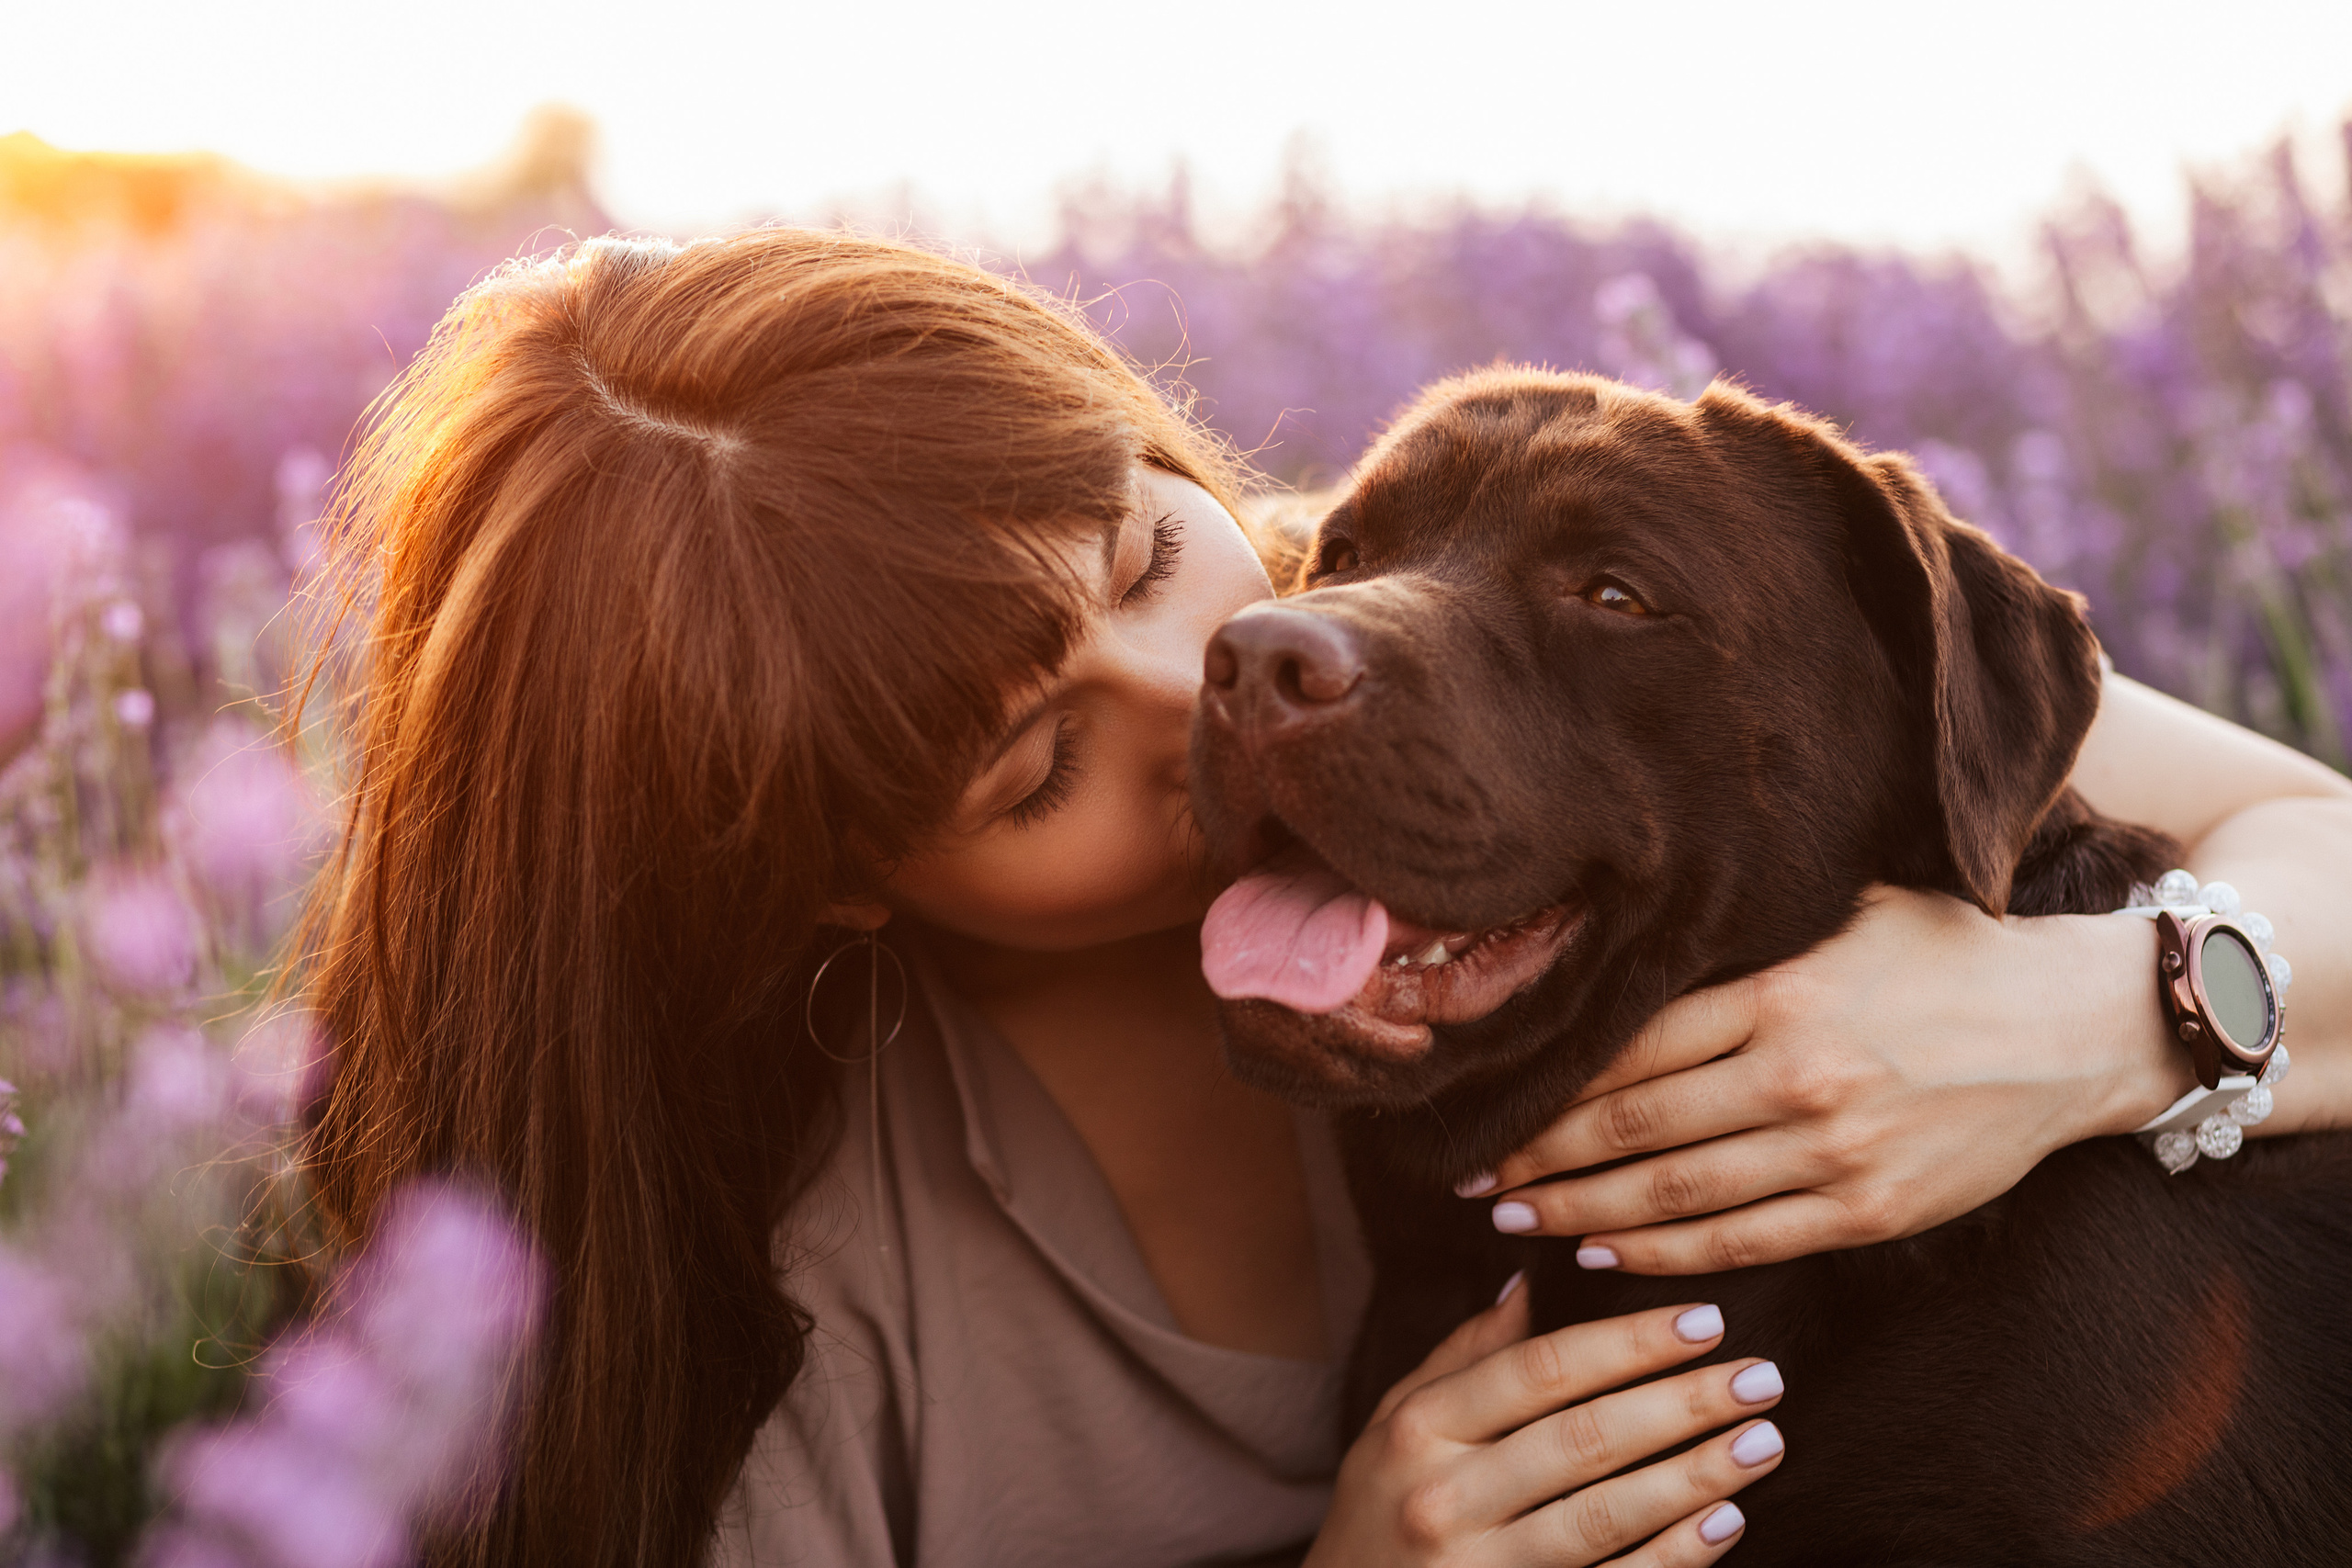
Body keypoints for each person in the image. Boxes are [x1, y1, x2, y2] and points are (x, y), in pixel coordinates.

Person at [293, 228, 2352, 1567]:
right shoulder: (813, 1310)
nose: (1211, 680)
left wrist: (2089, 1017)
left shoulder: (1356, 595)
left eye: (1135, 550)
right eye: (1029, 771)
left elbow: (2307, 836)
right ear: (833, 887)